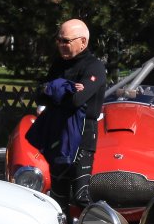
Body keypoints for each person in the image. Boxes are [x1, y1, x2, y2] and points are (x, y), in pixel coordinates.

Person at [27, 18, 107, 204]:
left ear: (83, 42)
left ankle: (94, 223)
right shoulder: (58, 64)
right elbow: (39, 95)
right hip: (58, 134)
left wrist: (55, 88)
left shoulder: (94, 66)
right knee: (58, 197)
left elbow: (77, 100)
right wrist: (64, 88)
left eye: (66, 41)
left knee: (80, 196)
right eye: (58, 40)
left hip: (83, 136)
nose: (61, 45)